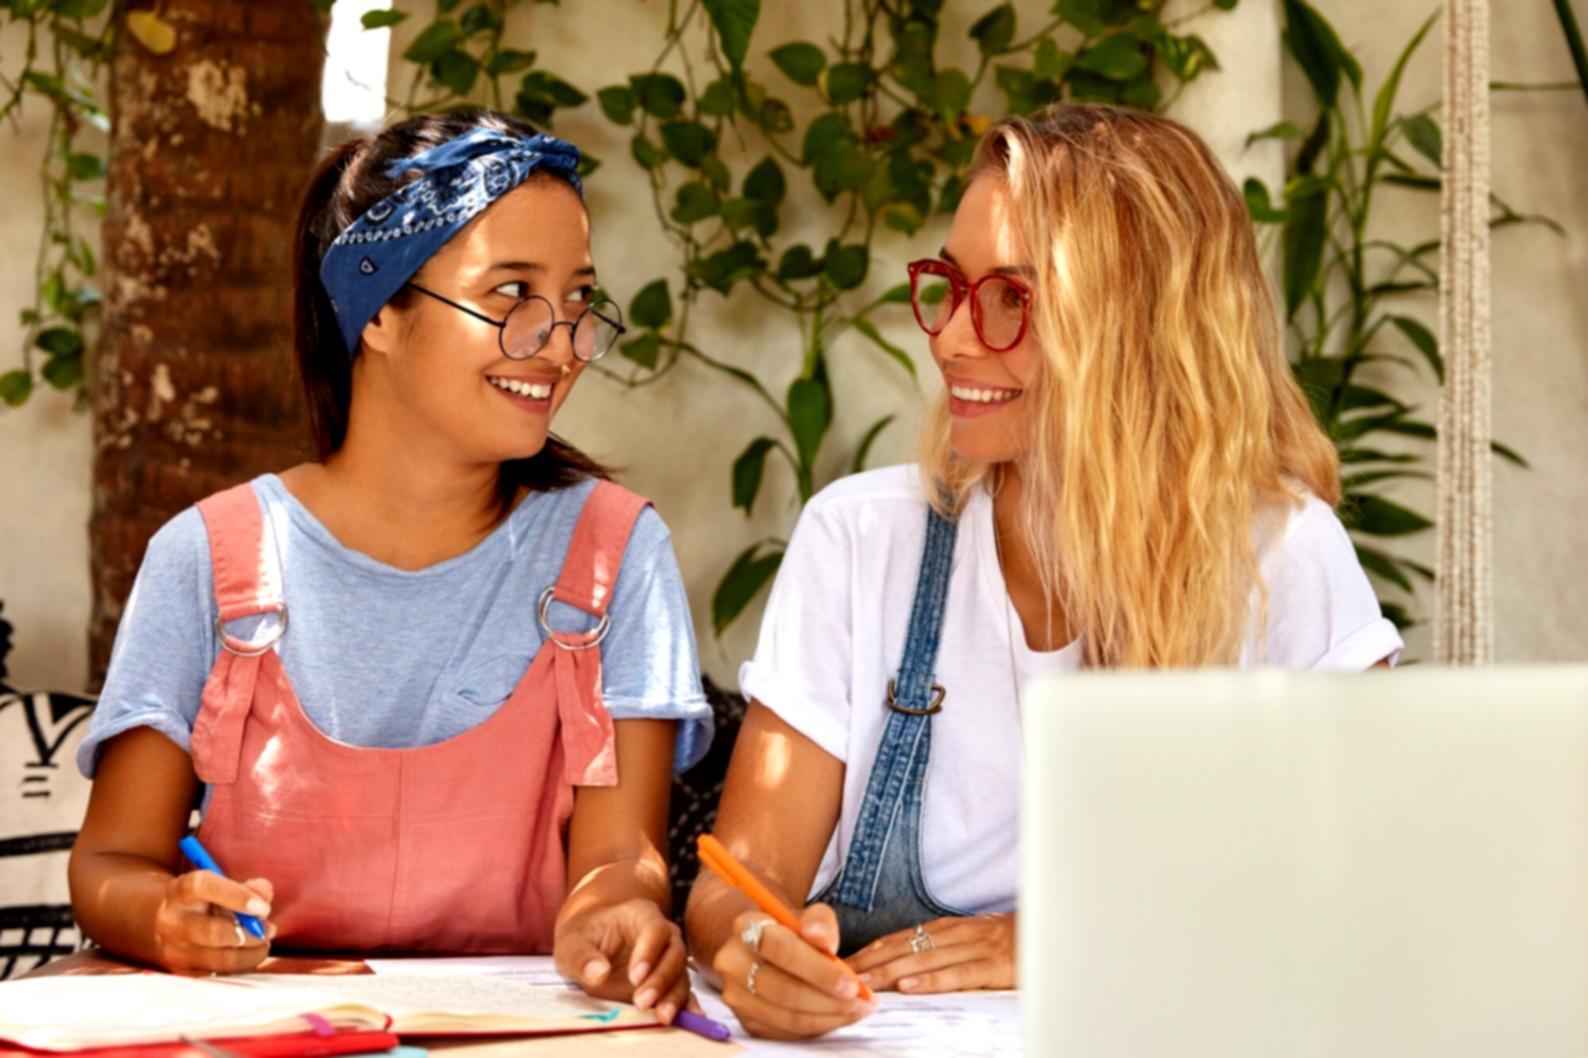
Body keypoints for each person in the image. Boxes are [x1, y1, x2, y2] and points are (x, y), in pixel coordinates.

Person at [685, 102, 1404, 1040]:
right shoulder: (861, 540)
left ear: (1144, 327)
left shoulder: (1279, 558)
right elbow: (733, 888)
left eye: (1013, 298)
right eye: (950, 283)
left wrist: (1074, 936)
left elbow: (1374, 904)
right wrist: (752, 951)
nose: (949, 338)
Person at [68, 110, 710, 1024]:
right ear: (376, 311)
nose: (561, 344)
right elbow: (110, 864)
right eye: (512, 296)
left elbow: (619, 866)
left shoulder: (616, 555)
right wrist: (164, 915)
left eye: (577, 302)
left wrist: (614, 920)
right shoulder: (207, 558)